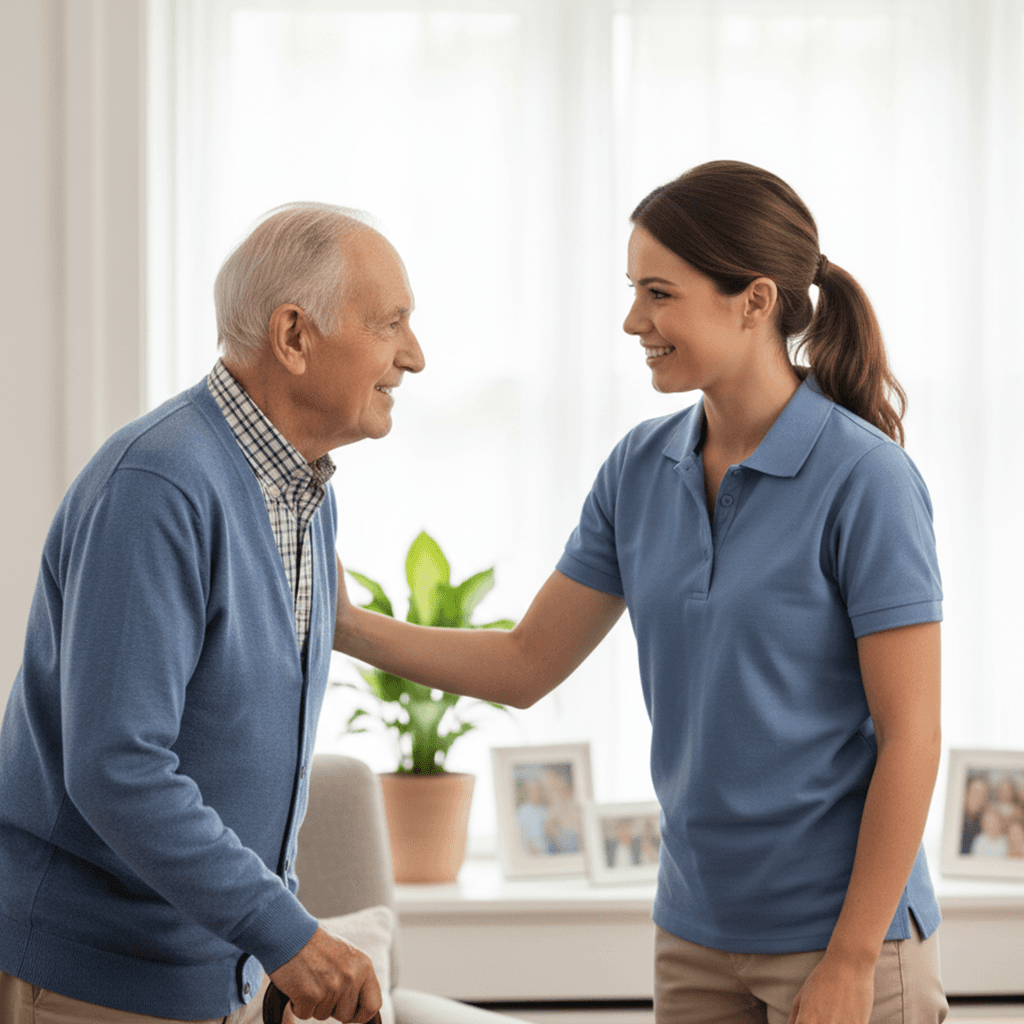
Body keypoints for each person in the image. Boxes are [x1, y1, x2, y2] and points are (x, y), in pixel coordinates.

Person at [333, 161, 948, 1023]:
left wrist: (851, 959)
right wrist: (343, 625)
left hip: (846, 940)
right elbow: (524, 663)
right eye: (633, 291)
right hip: (695, 934)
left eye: (659, 293)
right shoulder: (638, 468)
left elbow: (912, 736)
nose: (634, 321)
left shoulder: (866, 480)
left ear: (756, 300)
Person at [0, 202, 424, 1023]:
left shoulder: (306, 494)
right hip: (89, 982)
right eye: (392, 325)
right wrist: (286, 933)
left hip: (208, 978)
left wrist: (266, 945)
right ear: (295, 337)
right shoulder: (158, 485)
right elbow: (117, 766)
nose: (413, 356)